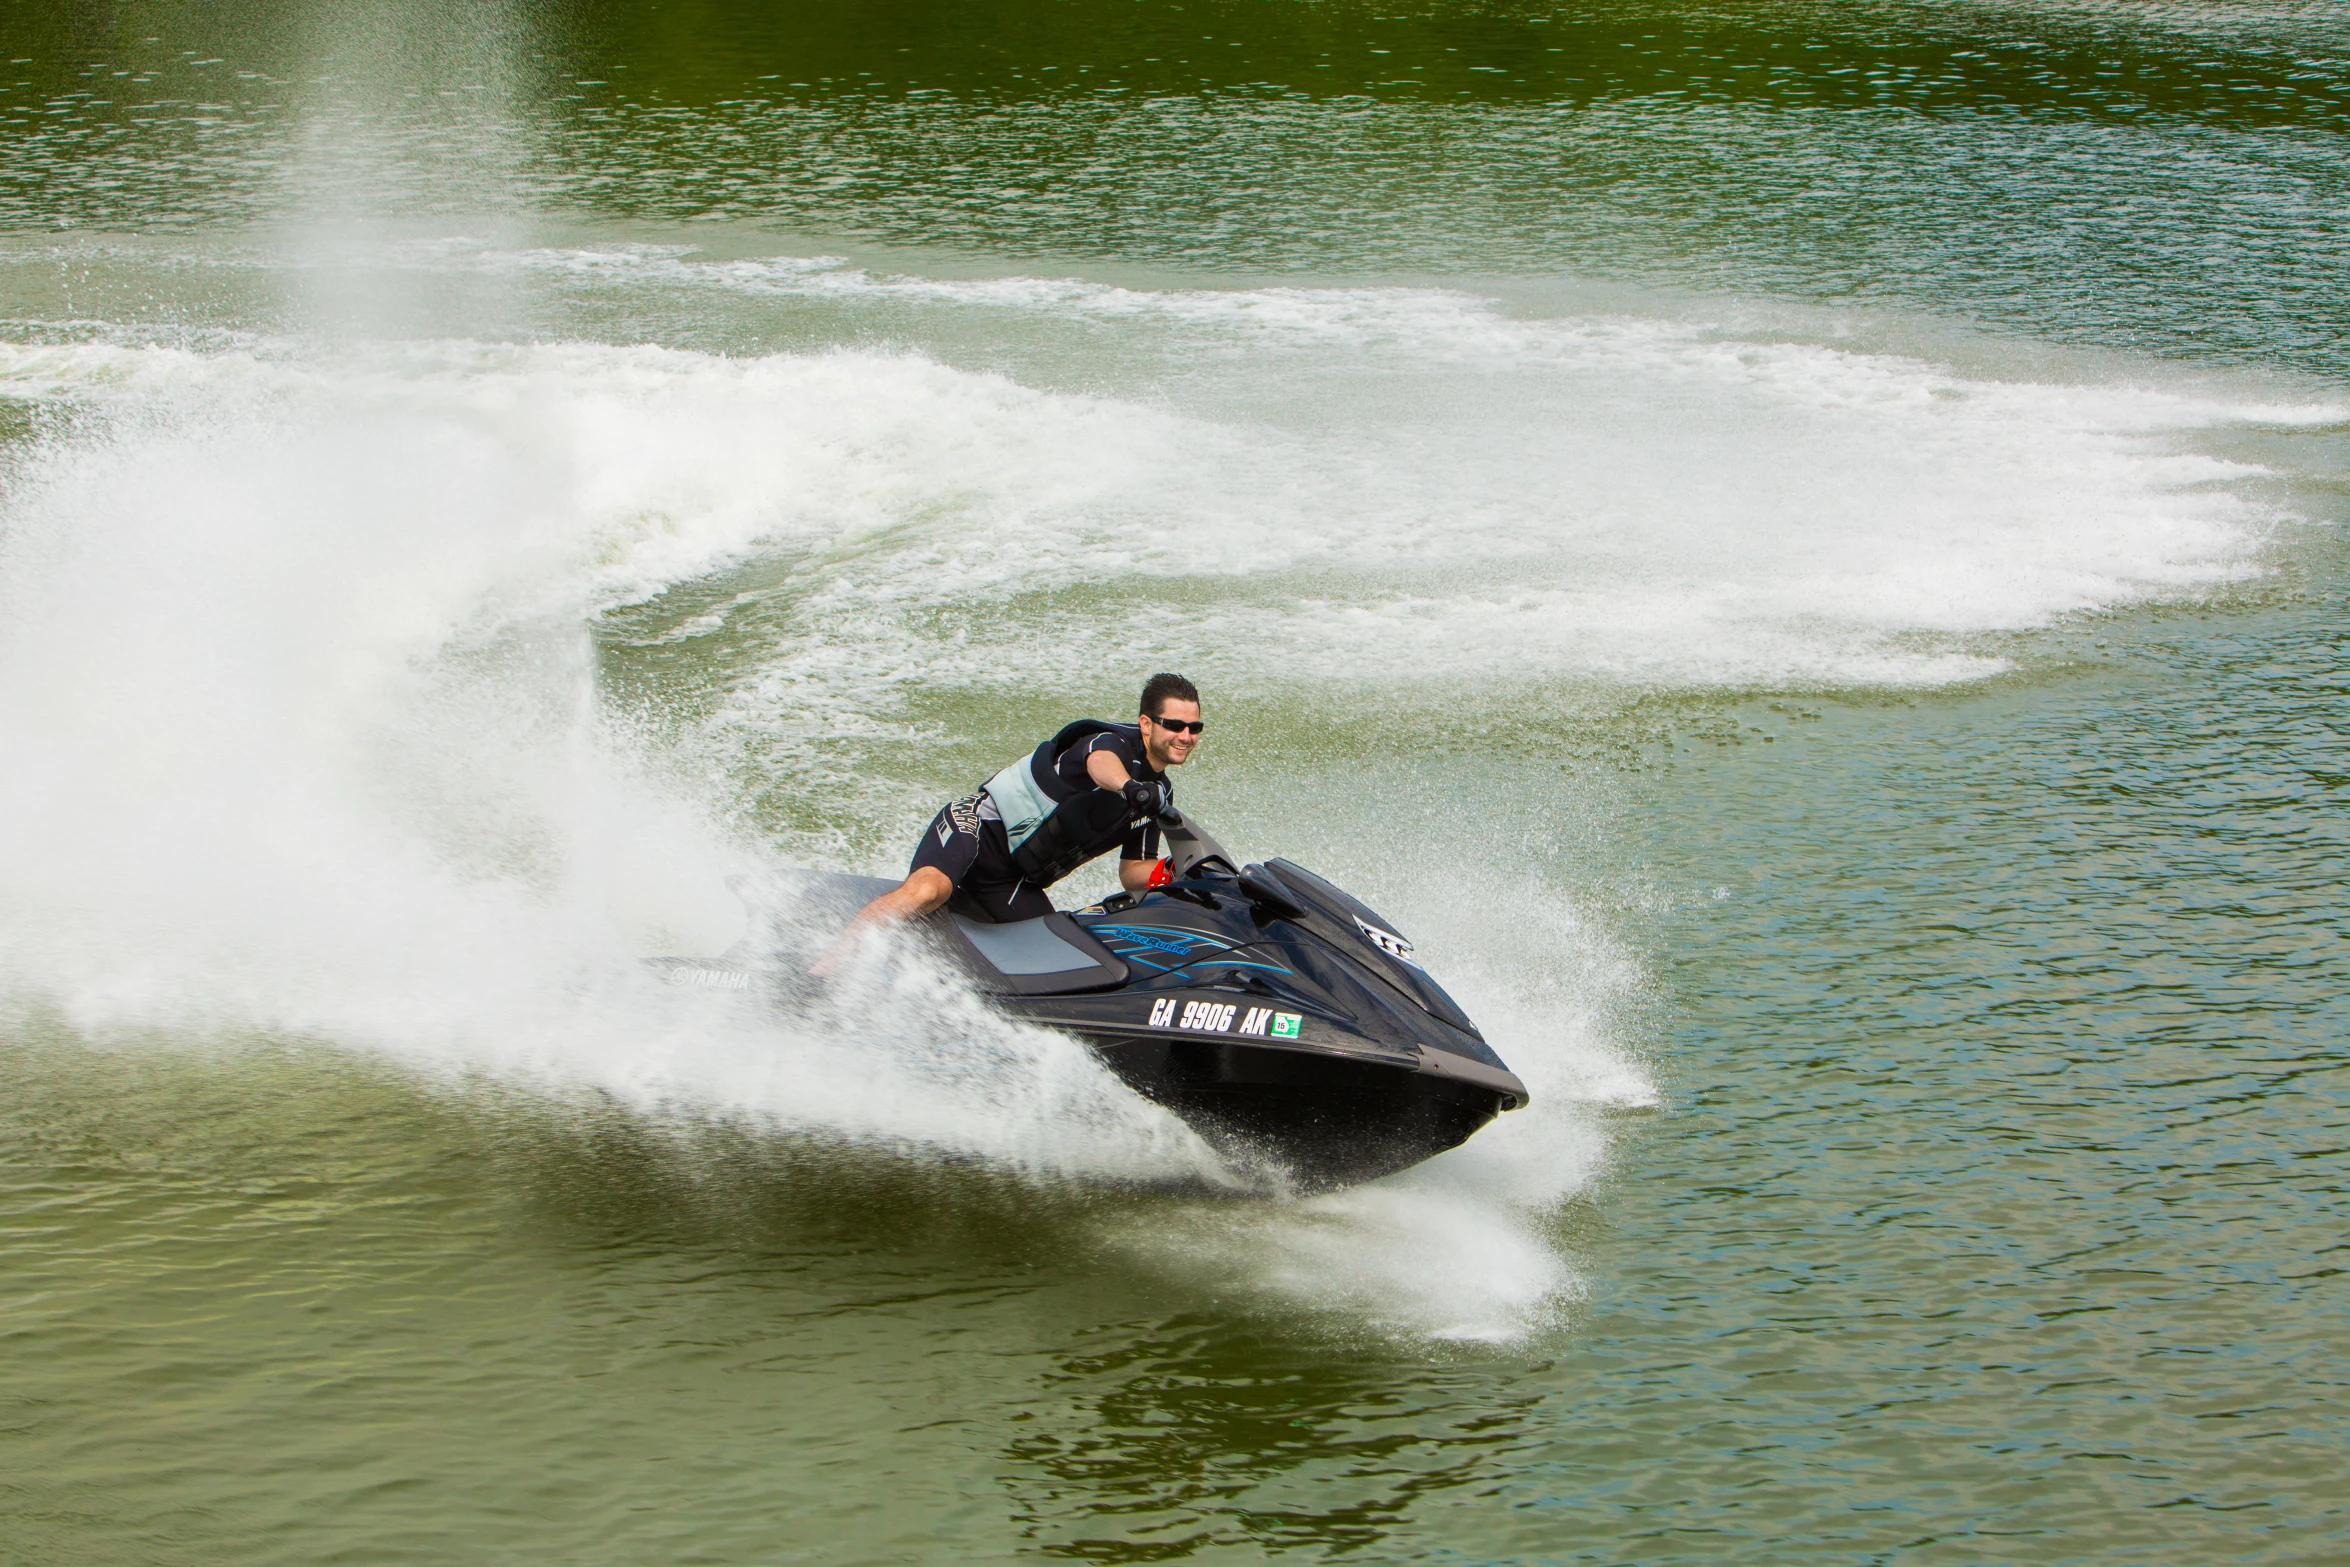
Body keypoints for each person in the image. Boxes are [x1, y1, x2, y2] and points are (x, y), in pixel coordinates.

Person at [814, 673, 1205, 974]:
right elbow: (1098, 765)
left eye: (1194, 728)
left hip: (1014, 879)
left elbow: (1132, 873)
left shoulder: (1157, 795)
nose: (1185, 736)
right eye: (1174, 724)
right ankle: (824, 970)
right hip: (977, 832)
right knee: (928, 891)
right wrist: (1129, 787)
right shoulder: (1111, 744)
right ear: (1146, 723)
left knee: (1049, 958)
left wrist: (1173, 872)